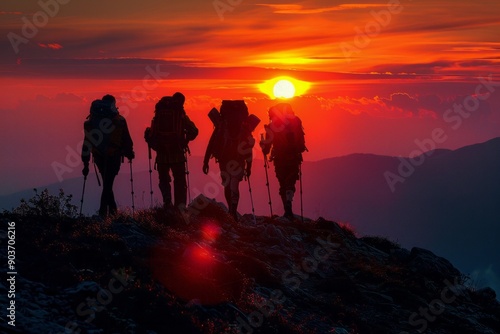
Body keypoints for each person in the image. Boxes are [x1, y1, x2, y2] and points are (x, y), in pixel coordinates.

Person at [81, 94, 135, 217]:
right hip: (113, 155)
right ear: (113, 105)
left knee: (107, 183)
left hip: (98, 156)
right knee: (108, 184)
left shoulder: (93, 121)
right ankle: (104, 214)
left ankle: (111, 212)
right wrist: (129, 153)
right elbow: (126, 139)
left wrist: (85, 163)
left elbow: (86, 142)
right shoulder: (119, 120)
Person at [203, 100, 257, 220]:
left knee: (227, 185)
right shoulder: (244, 128)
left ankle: (230, 210)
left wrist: (205, 161)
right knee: (234, 185)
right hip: (238, 160)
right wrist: (249, 167)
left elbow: (211, 143)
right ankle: (233, 210)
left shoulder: (222, 125)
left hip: (224, 159)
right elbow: (248, 149)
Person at [145, 92, 198, 210]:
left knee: (164, 180)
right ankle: (180, 208)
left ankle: (167, 202)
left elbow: (152, 133)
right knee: (179, 181)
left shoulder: (159, 114)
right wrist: (185, 140)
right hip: (177, 154)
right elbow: (194, 131)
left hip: (161, 154)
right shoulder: (181, 115)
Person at [260, 103, 306, 219]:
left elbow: (267, 149)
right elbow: (301, 145)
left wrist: (263, 146)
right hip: (294, 158)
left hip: (280, 159)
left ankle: (287, 209)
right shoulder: (296, 122)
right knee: (290, 182)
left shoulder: (272, 127)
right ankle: (289, 205)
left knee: (283, 184)